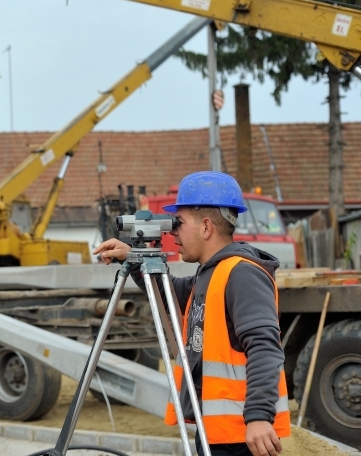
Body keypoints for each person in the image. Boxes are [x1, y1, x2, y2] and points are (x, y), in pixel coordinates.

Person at [93, 172, 290, 456]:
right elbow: (170, 294)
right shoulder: (210, 274)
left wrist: (259, 417)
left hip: (242, 437)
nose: (173, 232)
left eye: (179, 223)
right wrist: (135, 259)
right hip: (215, 431)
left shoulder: (241, 273)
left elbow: (265, 347)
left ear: (206, 227)